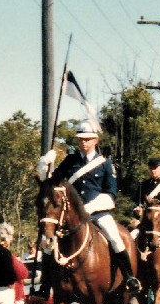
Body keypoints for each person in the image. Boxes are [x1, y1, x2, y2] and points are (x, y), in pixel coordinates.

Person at [38, 121, 138, 292]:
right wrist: (44, 164)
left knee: (115, 238)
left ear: (95, 140)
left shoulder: (105, 164)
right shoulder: (70, 161)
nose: (83, 142)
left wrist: (91, 207)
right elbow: (50, 184)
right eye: (81, 139)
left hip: (97, 213)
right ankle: (45, 285)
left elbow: (111, 193)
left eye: (88, 139)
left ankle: (129, 278)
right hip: (70, 215)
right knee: (47, 244)